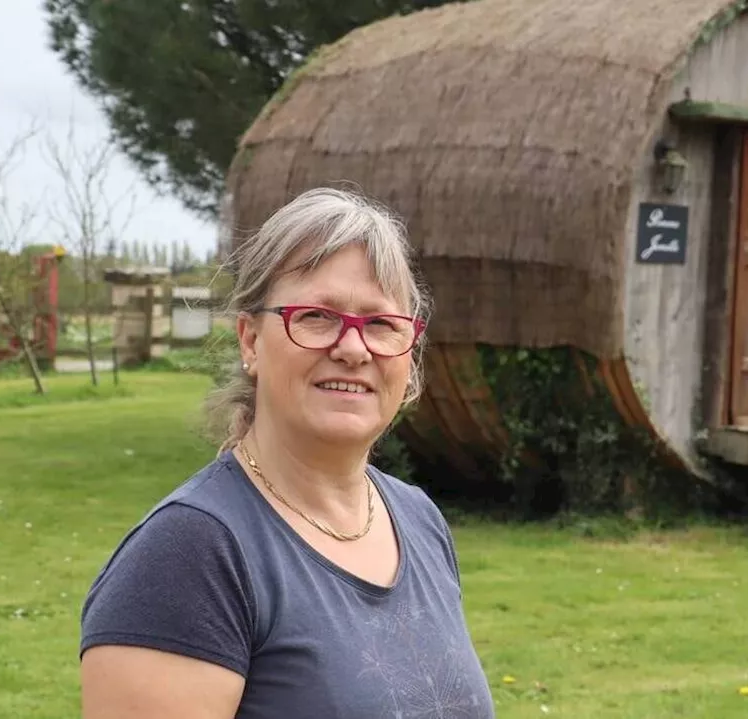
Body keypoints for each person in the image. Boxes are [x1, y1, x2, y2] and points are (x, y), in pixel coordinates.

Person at [78, 187, 496, 718]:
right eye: (317, 317)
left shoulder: (418, 520)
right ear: (250, 340)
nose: (352, 348)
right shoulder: (188, 557)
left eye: (381, 325)